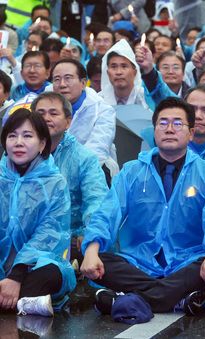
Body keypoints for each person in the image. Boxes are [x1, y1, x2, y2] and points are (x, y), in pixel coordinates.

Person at [80, 97, 205, 316]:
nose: (169, 129)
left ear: (191, 133)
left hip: (187, 260)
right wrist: (92, 249)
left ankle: (121, 300)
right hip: (139, 262)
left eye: (177, 123)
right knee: (102, 261)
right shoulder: (132, 172)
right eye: (163, 123)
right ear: (154, 131)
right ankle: (175, 300)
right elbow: (108, 212)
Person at [0, 108, 75, 316]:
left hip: (35, 266)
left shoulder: (54, 183)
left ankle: (14, 299)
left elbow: (49, 233)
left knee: (49, 275)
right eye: (12, 136)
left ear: (42, 144)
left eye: (27, 136)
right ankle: (22, 303)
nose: (18, 142)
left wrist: (16, 275)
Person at [31, 92, 108, 262]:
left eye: (53, 113)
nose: (46, 118)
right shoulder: (17, 153)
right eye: (40, 113)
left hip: (69, 236)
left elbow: (97, 201)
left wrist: (89, 235)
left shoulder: (84, 158)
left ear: (68, 121)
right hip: (26, 233)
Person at [51, 58, 118, 177]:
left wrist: (66, 174)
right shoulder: (44, 105)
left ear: (83, 83)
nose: (62, 84)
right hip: (52, 171)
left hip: (92, 171)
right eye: (57, 79)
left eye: (68, 78)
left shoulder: (103, 110)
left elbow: (97, 151)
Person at [100, 40, 177, 111]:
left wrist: (149, 69)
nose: (118, 72)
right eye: (113, 67)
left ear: (135, 72)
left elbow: (174, 104)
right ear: (107, 72)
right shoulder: (98, 100)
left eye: (124, 66)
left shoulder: (146, 96)